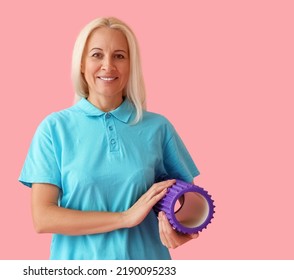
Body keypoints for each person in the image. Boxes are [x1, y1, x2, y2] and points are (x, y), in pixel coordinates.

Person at [19, 17, 200, 260]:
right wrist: (125, 218)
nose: (108, 66)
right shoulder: (54, 129)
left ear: (130, 65)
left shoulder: (158, 127)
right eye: (96, 55)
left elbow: (192, 201)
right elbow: (43, 218)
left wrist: (182, 229)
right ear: (82, 64)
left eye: (119, 56)